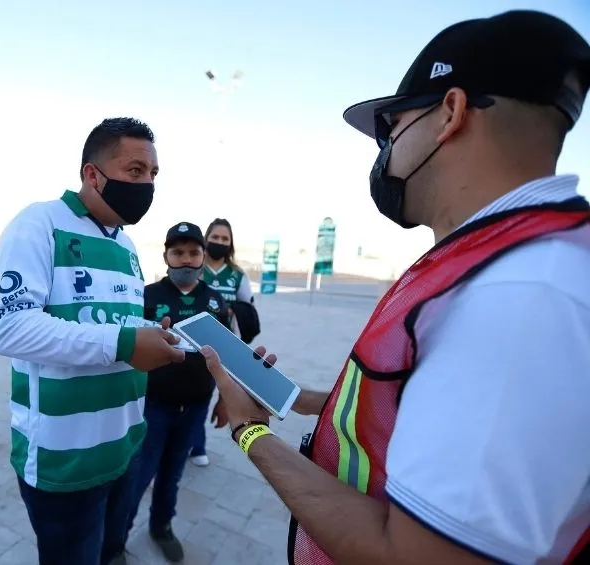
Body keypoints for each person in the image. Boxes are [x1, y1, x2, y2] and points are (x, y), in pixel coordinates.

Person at [203, 10, 590, 565]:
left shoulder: (524, 296)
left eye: (391, 128)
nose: (382, 151)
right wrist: (304, 399)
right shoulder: (496, 257)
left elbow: (414, 555)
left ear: (450, 113)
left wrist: (249, 430)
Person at [0, 117, 185, 565]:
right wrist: (124, 343)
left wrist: (150, 332)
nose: (147, 184)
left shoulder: (129, 246)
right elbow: (9, 327)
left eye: (153, 174)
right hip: (66, 459)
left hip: (127, 445)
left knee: (112, 552)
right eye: (135, 171)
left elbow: (109, 323)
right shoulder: (38, 224)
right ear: (92, 174)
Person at [124, 222, 230, 563]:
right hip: (153, 407)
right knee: (140, 474)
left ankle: (161, 527)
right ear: (166, 256)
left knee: (172, 473)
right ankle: (117, 538)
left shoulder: (215, 302)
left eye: (193, 253)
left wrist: (226, 398)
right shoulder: (147, 296)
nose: (186, 261)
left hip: (196, 407)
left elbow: (228, 354)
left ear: (203, 257)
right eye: (178, 253)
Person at [189, 217, 254, 467]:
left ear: (231, 244)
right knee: (196, 394)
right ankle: (195, 444)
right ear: (206, 239)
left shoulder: (237, 275)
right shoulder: (195, 266)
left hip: (226, 346)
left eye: (224, 239)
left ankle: (196, 441)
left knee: (217, 392)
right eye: (215, 237)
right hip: (195, 342)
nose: (219, 242)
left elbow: (249, 309)